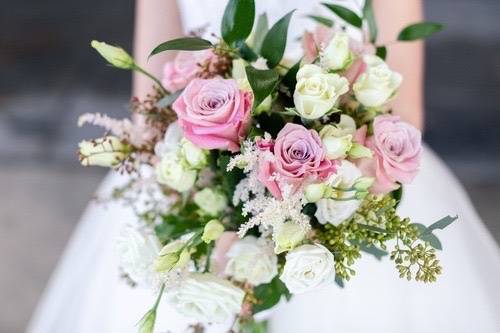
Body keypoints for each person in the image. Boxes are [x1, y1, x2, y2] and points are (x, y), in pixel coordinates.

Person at [28, 1, 500, 332]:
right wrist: (205, 197)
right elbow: (148, 99)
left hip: (348, 182)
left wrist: (309, 198)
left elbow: (405, 110)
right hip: (199, 176)